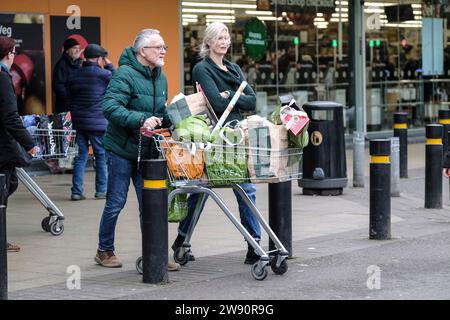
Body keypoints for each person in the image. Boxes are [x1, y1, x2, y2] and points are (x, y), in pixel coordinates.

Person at [172, 22, 262, 265]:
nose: (224, 42)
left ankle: (254, 245)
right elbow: (217, 104)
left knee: (245, 188)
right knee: (202, 192)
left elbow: (252, 101)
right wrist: (234, 97)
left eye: (226, 37)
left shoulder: (233, 69)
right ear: (208, 42)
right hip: (214, 136)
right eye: (219, 38)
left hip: (236, 134)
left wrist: (229, 95)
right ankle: (182, 240)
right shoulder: (202, 69)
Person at [96, 29, 179, 271]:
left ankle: (155, 253)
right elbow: (110, 108)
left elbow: (159, 113)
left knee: (150, 204)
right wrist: (142, 118)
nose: (164, 51)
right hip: (121, 150)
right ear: (143, 51)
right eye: (159, 47)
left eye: (165, 47)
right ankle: (104, 250)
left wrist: (176, 116)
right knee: (116, 202)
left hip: (148, 152)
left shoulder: (160, 76)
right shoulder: (124, 74)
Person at [0, 36, 35, 252]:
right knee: (6, 188)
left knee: (8, 186)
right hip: (2, 147)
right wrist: (29, 143)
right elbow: (10, 117)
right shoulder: (3, 77)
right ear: (9, 54)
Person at [67, 44, 115, 201]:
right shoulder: (104, 74)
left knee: (80, 157)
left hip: (79, 123)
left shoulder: (74, 75)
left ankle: (76, 191)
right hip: (98, 123)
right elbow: (118, 81)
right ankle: (101, 191)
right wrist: (109, 65)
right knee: (101, 156)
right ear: (99, 58)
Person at [52, 37, 83, 114]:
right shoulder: (61, 65)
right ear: (67, 50)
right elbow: (58, 87)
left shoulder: (79, 63)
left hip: (78, 106)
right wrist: (72, 99)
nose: (77, 50)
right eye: (74, 48)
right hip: (65, 107)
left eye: (78, 48)